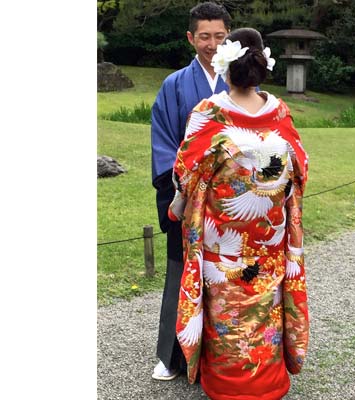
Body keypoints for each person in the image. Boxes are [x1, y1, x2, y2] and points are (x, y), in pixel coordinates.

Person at [167, 27, 310, 400]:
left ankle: (227, 383)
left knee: (225, 311)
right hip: (269, 237)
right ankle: (266, 381)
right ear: (262, 66)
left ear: (225, 67)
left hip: (223, 240)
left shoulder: (209, 112)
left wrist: (182, 202)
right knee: (266, 306)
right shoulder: (280, 113)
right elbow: (301, 168)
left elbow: (186, 172)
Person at [150, 1, 232, 381]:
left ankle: (221, 356)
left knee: (226, 276)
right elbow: (164, 143)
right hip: (187, 198)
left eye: (219, 36)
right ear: (190, 38)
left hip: (231, 200)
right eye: (204, 36)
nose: (212, 45)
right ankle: (172, 356)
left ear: (229, 37)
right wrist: (184, 189)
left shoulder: (242, 83)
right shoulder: (175, 85)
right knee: (180, 271)